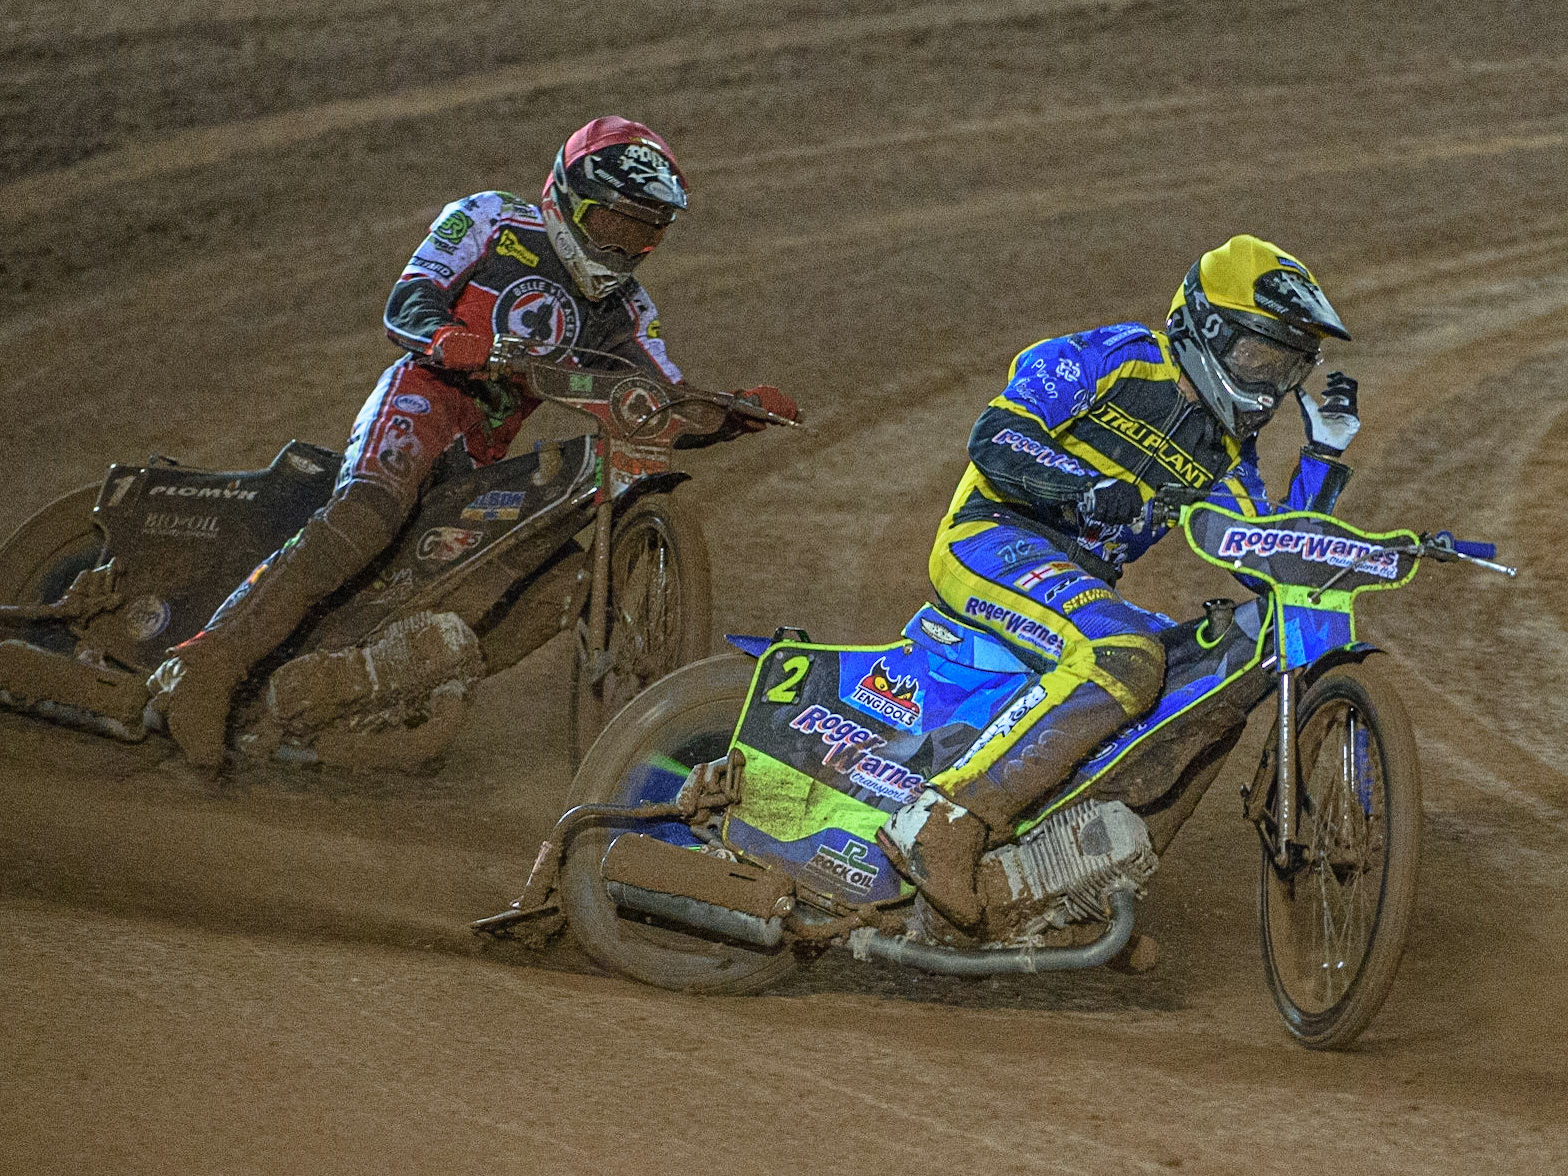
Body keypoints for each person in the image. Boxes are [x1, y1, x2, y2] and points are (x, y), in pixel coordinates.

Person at [149, 116, 797, 767]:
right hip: (422, 397)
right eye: (614, 225)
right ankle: (208, 667)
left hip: (478, 457)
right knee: (366, 514)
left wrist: (732, 413)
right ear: (569, 199)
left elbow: (657, 402)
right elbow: (407, 299)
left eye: (644, 233)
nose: (624, 248)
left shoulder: (626, 312)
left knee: (565, 583)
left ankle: (356, 692)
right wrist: (448, 336)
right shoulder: (489, 220)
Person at [878, 234, 1362, 928]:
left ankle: (1081, 890)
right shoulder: (1115, 358)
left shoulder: (1227, 454)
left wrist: (1323, 455)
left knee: (1208, 686)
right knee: (1125, 655)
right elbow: (995, 435)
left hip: (1072, 579)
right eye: (1259, 356)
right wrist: (1084, 488)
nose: (1269, 385)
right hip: (989, 537)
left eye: (1287, 367)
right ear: (1207, 329)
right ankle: (942, 822)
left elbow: (1267, 558)